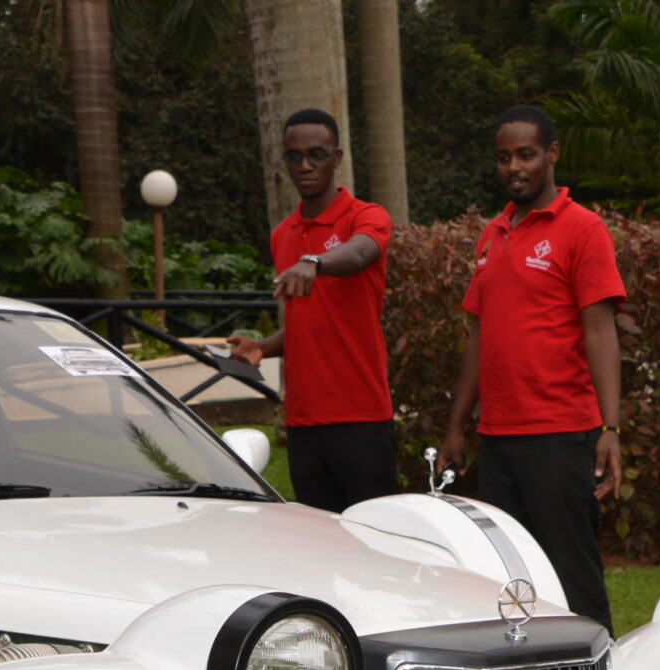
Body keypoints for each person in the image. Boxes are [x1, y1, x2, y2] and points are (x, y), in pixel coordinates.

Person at [434, 104, 626, 628]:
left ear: (552, 154)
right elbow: (479, 337)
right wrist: (457, 429)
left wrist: (610, 428)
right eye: (503, 158)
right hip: (498, 440)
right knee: (510, 581)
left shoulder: (582, 230)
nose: (514, 167)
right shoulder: (491, 235)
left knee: (572, 579)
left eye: (526, 155)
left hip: (562, 435)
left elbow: (600, 330)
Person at [227, 109, 399, 513]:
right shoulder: (282, 234)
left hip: (361, 417)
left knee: (378, 543)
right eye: (294, 156)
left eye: (317, 154)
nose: (305, 165)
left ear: (337, 158)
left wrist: (315, 262)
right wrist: (262, 347)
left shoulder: (366, 217)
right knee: (321, 546)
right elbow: (314, 323)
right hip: (304, 422)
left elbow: (360, 254)